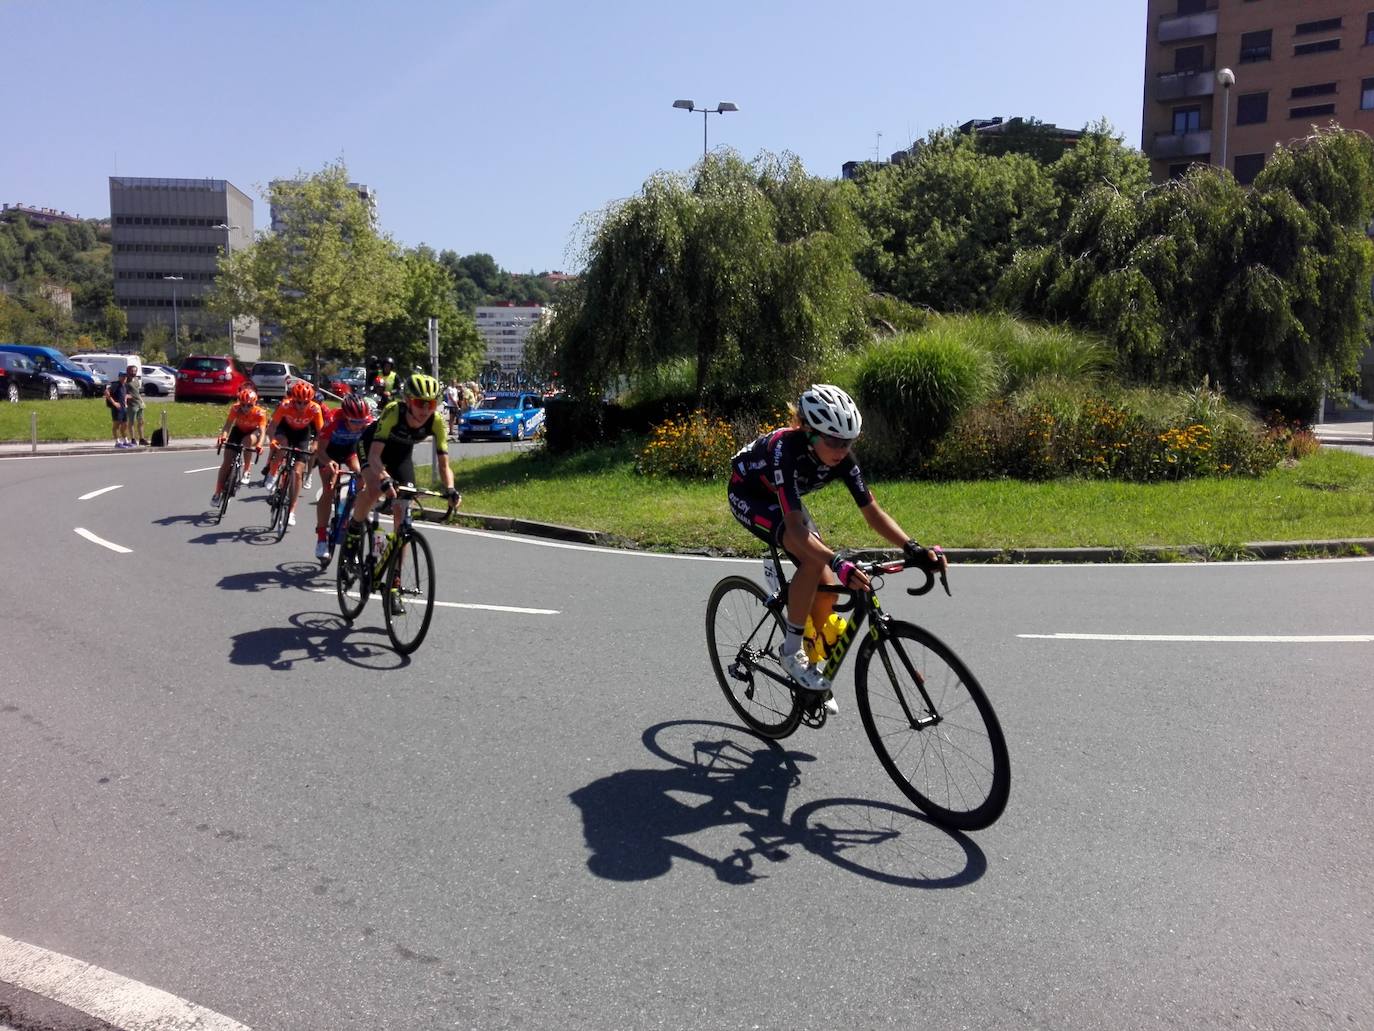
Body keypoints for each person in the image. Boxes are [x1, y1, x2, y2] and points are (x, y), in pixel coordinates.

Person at [726, 384, 946, 708]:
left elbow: (873, 513)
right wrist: (838, 562)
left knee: (827, 593)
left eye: (848, 442)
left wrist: (912, 547)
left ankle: (811, 666)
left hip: (788, 504)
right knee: (815, 561)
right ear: (809, 432)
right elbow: (798, 533)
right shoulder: (784, 450)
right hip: (749, 497)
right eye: (833, 441)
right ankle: (790, 652)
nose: (841, 449)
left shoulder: (842, 458)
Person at [345, 372, 461, 613]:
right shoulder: (393, 411)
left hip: (401, 456)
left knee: (403, 517)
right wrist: (385, 479)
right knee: (376, 488)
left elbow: (444, 464)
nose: (425, 409)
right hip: (372, 448)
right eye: (420, 403)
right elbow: (376, 456)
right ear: (409, 401)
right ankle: (354, 530)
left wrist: (450, 489)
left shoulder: (436, 421)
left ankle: (394, 585)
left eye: (431, 404)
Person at [312, 393, 375, 560]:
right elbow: (320, 450)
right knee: (329, 488)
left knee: (362, 477)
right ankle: (321, 538)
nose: (358, 426)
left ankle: (347, 515)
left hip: (350, 452)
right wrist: (328, 462)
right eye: (354, 422)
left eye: (361, 422)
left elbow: (371, 448)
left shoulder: (367, 422)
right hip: (329, 452)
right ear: (345, 417)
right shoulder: (333, 420)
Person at [260, 380, 325, 527]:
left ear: (311, 400)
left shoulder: (315, 409)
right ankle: (273, 472)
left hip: (302, 434)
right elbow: (272, 427)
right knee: (283, 445)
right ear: (292, 399)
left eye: (305, 402)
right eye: (298, 402)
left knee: (297, 473)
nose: (301, 406)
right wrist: (272, 441)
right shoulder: (285, 405)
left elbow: (321, 432)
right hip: (285, 429)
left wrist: (315, 445)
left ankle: (291, 511)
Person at [211, 387, 268, 506]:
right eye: (243, 405)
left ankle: (247, 470)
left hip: (253, 432)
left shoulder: (260, 413)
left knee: (246, 441)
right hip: (238, 431)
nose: (245, 408)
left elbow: (263, 432)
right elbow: (227, 426)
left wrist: (259, 445)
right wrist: (223, 437)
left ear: (254, 404)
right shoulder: (235, 409)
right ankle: (217, 492)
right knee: (226, 462)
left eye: (249, 405)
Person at [104, 370, 130, 448]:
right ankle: (117, 442)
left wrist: (126, 399)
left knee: (125, 425)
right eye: (123, 376)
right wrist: (114, 403)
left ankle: (125, 441)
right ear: (119, 377)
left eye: (125, 376)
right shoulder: (115, 384)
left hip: (123, 408)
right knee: (116, 425)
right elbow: (106, 392)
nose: (125, 378)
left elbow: (127, 394)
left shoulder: (125, 385)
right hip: (117, 408)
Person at [124, 364, 148, 446]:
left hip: (139, 403)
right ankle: (133, 439)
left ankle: (142, 438)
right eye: (132, 371)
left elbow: (137, 392)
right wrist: (126, 399)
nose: (133, 372)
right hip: (131, 404)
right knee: (131, 422)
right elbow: (123, 392)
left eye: (135, 371)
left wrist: (142, 401)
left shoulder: (136, 379)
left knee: (141, 422)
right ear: (128, 371)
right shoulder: (125, 381)